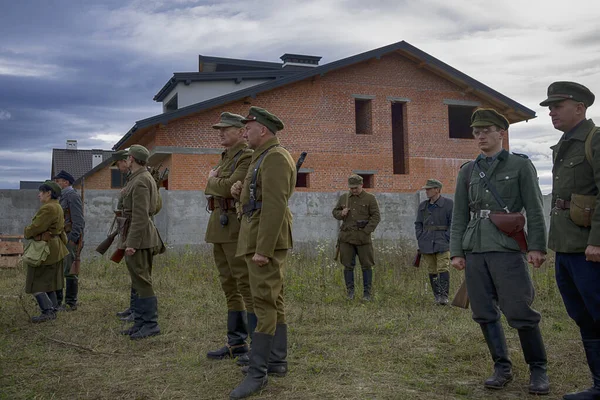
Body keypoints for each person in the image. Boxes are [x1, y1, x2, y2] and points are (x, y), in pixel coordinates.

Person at [449, 108, 549, 395]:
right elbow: (459, 215)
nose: (480, 136)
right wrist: (457, 251)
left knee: (520, 310)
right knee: (483, 312)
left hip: (507, 249)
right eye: (476, 132)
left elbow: (534, 208)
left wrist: (537, 246)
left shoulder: (519, 165)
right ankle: (501, 367)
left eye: (486, 131)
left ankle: (538, 369)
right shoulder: (468, 170)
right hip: (475, 250)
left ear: (500, 133)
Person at [229, 106, 295, 399]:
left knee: (264, 303)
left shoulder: (276, 157)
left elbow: (275, 205)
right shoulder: (263, 156)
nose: (245, 131)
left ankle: (259, 374)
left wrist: (263, 250)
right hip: (255, 235)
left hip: (264, 241)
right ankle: (276, 361)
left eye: (249, 127)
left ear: (263, 130)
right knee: (273, 300)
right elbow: (257, 199)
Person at [541, 81, 600, 400]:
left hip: (590, 249)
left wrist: (598, 241)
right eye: (549, 107)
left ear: (580, 107)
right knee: (582, 316)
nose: (551, 112)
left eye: (557, 106)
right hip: (566, 247)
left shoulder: (596, 139)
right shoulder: (564, 145)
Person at [205, 112, 254, 361]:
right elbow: (224, 186)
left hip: (235, 227)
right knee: (229, 284)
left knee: (243, 283)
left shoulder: (246, 156)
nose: (220, 133)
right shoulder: (226, 158)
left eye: (225, 129)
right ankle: (236, 344)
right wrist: (218, 182)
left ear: (240, 131)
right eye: (219, 129)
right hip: (220, 225)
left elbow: (230, 187)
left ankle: (256, 345)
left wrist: (212, 181)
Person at [117, 144, 164, 340]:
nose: (126, 160)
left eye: (128, 157)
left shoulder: (142, 181)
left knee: (143, 281)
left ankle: (150, 324)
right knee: (138, 280)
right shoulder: (138, 178)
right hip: (138, 236)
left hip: (141, 238)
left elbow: (140, 215)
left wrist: (132, 242)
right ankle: (140, 322)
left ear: (132, 160)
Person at [24, 181, 69, 322]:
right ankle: (53, 308)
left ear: (49, 193)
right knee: (48, 282)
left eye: (41, 192)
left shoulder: (48, 208)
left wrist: (27, 231)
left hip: (46, 249)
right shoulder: (57, 206)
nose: (39, 195)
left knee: (36, 281)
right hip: (55, 247)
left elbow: (35, 227)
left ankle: (48, 311)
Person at [332, 174, 380, 301]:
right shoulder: (344, 198)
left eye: (356, 188)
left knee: (367, 265)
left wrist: (366, 232)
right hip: (346, 238)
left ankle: (367, 294)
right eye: (351, 188)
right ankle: (350, 293)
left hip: (363, 239)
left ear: (361, 185)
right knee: (347, 265)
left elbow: (376, 217)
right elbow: (335, 212)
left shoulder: (370, 198)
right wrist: (341, 213)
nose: (353, 190)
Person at [414, 179, 452, 305]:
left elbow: (453, 223)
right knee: (432, 269)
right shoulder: (423, 206)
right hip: (426, 241)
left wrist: (447, 237)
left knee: (443, 267)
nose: (427, 191)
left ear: (437, 189)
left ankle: (444, 297)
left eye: (429, 189)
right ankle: (437, 296)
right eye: (426, 189)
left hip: (442, 241)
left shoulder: (448, 204)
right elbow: (418, 223)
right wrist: (420, 236)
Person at [52, 170, 85, 311]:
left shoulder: (72, 196)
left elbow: (78, 221)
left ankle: (71, 303)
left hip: (70, 237)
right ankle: (57, 302)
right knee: (59, 269)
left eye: (58, 181)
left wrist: (73, 240)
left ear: (66, 182)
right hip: (62, 237)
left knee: (70, 270)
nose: (56, 183)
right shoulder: (61, 196)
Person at [110, 150, 137, 322]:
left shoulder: (141, 178)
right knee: (133, 271)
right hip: (127, 226)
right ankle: (134, 307)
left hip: (135, 228)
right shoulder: (131, 178)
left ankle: (138, 311)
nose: (119, 168)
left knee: (139, 273)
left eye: (120, 164)